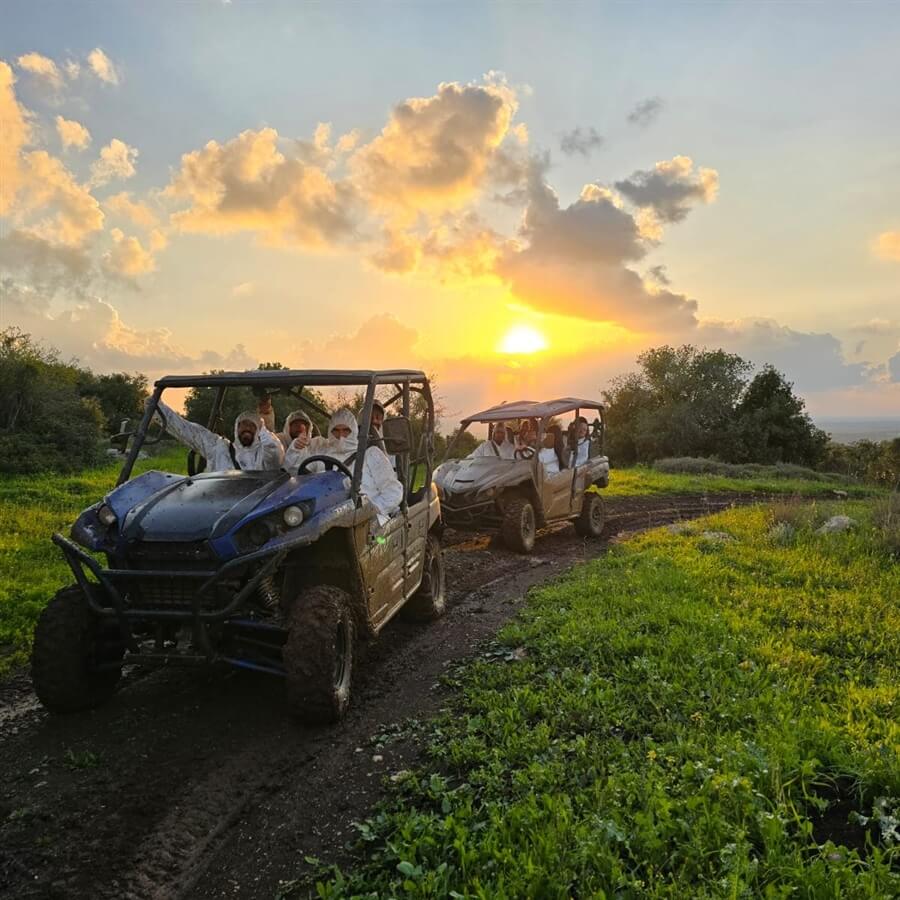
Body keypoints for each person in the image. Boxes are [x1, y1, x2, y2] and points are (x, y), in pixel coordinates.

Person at [285, 408, 403, 526]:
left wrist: (368, 512)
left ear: (354, 430)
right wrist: (296, 449)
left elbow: (393, 491)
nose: (341, 435)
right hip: (326, 519)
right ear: (330, 431)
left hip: (368, 521)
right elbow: (295, 471)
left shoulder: (371, 454)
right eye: (336, 430)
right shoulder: (321, 451)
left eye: (346, 430)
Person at [150, 398, 284, 472]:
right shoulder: (220, 448)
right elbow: (188, 431)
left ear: (259, 430)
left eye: (252, 426)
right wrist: (157, 408)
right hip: (219, 504)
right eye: (243, 425)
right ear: (236, 428)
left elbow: (274, 449)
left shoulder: (265, 455)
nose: (247, 428)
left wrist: (263, 427)